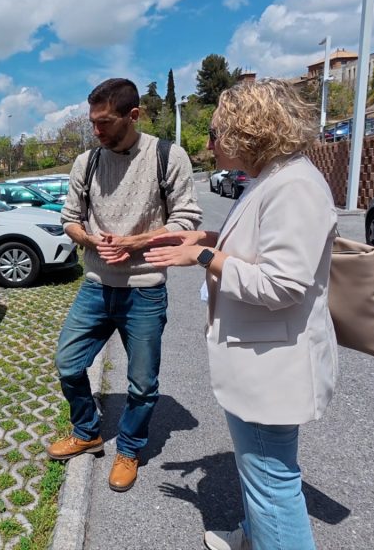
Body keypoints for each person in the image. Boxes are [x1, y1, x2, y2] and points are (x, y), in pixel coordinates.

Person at [144, 79, 338, 550]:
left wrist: (203, 257)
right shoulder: (275, 179)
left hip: (271, 370)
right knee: (262, 480)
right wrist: (206, 239)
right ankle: (255, 536)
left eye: (214, 133)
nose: (209, 145)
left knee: (273, 487)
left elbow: (282, 284)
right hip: (263, 362)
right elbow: (259, 245)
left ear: (248, 130)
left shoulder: (293, 186)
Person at [46, 78, 202, 493]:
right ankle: (87, 432)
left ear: (133, 116)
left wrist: (134, 243)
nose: (96, 130)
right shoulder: (87, 162)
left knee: (142, 383)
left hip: (145, 290)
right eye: (92, 122)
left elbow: (187, 220)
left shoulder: (168, 156)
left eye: (105, 122)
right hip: (96, 286)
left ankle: (129, 449)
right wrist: (89, 239)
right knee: (68, 363)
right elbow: (69, 219)